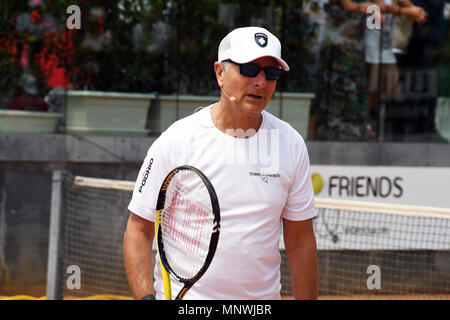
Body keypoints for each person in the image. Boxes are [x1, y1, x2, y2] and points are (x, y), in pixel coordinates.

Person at [124, 26, 318, 300]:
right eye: (249, 69)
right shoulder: (177, 140)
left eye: (271, 73)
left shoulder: (291, 144)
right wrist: (145, 298)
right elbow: (138, 229)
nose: (261, 82)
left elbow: (300, 240)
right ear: (220, 74)